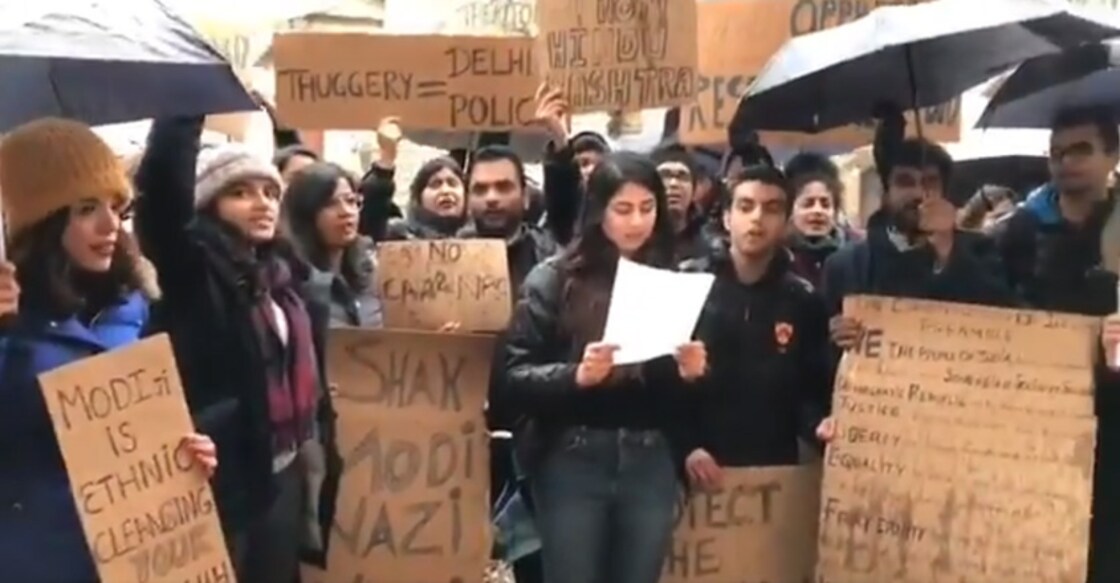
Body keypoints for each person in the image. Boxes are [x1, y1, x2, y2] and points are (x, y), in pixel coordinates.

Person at [0, 118, 216, 582]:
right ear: (40, 222)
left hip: (137, 559)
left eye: (116, 207)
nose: (110, 225)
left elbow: (140, 432)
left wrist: (186, 452)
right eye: (85, 209)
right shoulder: (13, 325)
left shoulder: (131, 306)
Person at [135, 117, 333, 582]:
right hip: (224, 482)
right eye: (240, 192)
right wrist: (183, 108)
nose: (261, 203)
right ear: (208, 203)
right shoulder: (194, 272)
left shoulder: (283, 276)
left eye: (269, 192)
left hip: (284, 470)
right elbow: (162, 196)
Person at [504, 151, 706, 583]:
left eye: (647, 208)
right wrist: (575, 376)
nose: (636, 222)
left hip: (649, 458)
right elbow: (514, 376)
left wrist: (690, 374)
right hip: (572, 457)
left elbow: (677, 396)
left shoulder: (672, 279)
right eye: (623, 209)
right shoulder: (553, 279)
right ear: (599, 211)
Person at [681, 165, 831, 487]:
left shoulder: (803, 300)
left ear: (787, 221)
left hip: (772, 472)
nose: (757, 218)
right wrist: (686, 445)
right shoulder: (686, 283)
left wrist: (818, 425)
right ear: (726, 218)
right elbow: (660, 382)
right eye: (746, 206)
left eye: (771, 209)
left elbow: (810, 389)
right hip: (694, 470)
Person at [283, 161, 383, 328]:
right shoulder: (292, 283)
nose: (346, 212)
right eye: (330, 204)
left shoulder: (368, 273)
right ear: (306, 213)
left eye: (351, 201)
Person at [785, 153, 851, 287]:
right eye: (808, 204)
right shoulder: (776, 257)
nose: (817, 211)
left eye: (825, 204)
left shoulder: (855, 255)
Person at [383, 156, 468, 240]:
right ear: (419, 197)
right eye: (435, 185)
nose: (445, 191)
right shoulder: (397, 234)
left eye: (452, 184)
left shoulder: (474, 234)